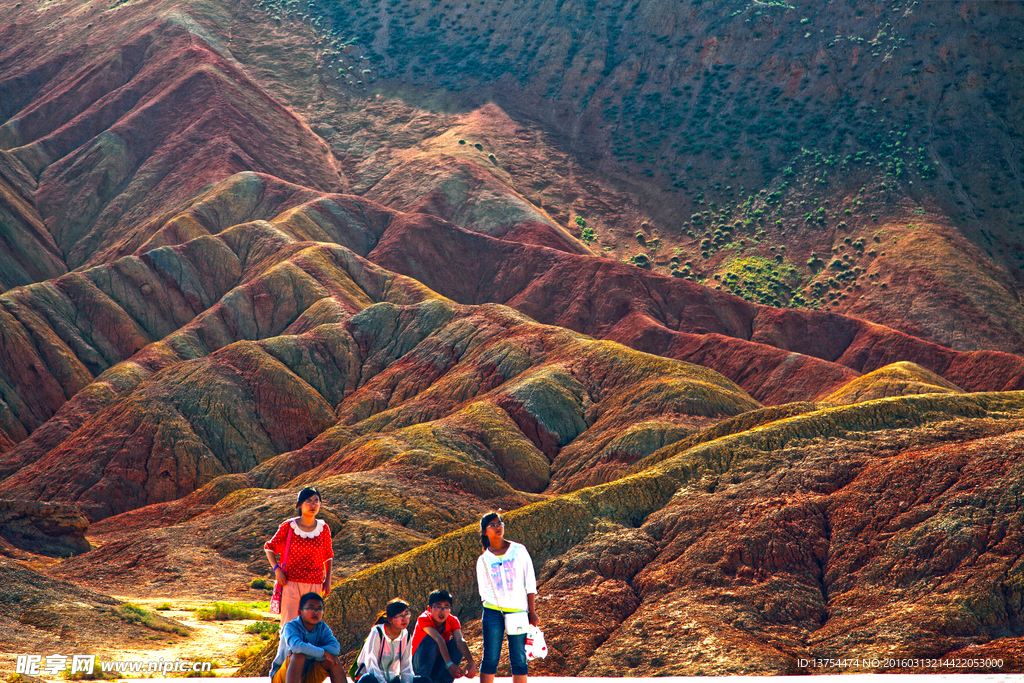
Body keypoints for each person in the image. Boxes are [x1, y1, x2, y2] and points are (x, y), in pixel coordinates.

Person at [476, 512, 538, 683]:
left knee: (519, 659)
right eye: (493, 525)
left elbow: (530, 581)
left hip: (518, 611)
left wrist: (531, 611)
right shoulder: (483, 560)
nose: (498, 527)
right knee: (490, 658)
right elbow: (483, 591)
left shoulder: (519, 550)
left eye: (500, 523)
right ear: (484, 532)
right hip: (492, 613)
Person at [265, 487, 334, 625]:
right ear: (300, 504)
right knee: (289, 624)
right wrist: (277, 570)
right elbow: (269, 548)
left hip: (315, 583)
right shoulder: (289, 526)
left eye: (316, 501)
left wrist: (327, 580)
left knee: (311, 625)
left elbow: (328, 555)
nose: (313, 505)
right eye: (309, 501)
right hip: (290, 582)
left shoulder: (323, 528)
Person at [270, 592, 345, 683]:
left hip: (308, 674)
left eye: (319, 609)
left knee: (333, 660)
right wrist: (323, 653)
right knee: (299, 656)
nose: (316, 612)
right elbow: (296, 647)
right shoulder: (290, 627)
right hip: (283, 676)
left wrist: (310, 651)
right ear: (300, 612)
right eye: (311, 608)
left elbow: (335, 648)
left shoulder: (322, 627)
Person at [411, 589, 478, 683]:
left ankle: (444, 680)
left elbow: (460, 640)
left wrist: (471, 661)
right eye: (438, 607)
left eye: (446, 607)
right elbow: (439, 639)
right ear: (429, 609)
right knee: (432, 640)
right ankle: (423, 680)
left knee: (456, 644)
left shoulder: (453, 620)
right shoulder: (424, 618)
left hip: (438, 661)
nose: (442, 611)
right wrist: (450, 665)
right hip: (418, 664)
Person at [353, 599, 421, 683]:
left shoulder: (406, 636)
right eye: (400, 616)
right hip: (373, 678)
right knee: (368, 678)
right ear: (389, 619)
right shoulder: (377, 632)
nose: (404, 619)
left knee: (423, 680)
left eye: (407, 614)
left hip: (392, 679)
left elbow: (406, 667)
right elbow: (371, 665)